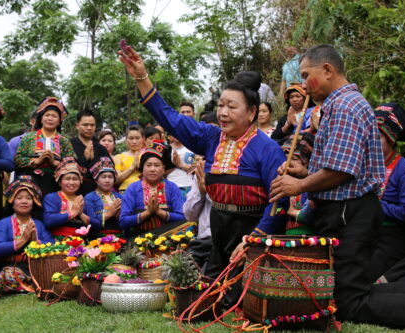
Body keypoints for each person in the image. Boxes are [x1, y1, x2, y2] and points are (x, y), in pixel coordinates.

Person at [269, 44, 405, 329]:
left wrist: (299, 185)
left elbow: (341, 171)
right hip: (347, 210)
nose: (303, 85)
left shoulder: (345, 106)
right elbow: (341, 164)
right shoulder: (339, 105)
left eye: (306, 75)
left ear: (327, 70)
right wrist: (306, 170)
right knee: (348, 292)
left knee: (347, 303)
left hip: (350, 212)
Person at [119, 47, 287, 306]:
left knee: (238, 300)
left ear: (252, 112)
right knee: (206, 297)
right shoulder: (210, 138)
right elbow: (170, 118)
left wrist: (254, 238)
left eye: (231, 106)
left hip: (251, 230)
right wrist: (143, 77)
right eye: (221, 105)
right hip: (218, 228)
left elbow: (279, 203)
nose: (222, 112)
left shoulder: (268, 150)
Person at [368, 103, 405, 281]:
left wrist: (375, 204)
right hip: (367, 234)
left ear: (391, 139)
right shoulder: (367, 168)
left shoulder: (404, 168)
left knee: (367, 276)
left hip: (392, 238)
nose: (372, 142)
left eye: (378, 137)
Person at [0, 176, 53, 293]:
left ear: (33, 201)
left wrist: (37, 242)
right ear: (12, 201)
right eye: (19, 198)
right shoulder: (4, 223)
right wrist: (24, 239)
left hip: (36, 267)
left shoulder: (38, 224)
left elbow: (52, 244)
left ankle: (32, 283)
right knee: (8, 276)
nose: (24, 201)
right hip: (12, 267)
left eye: (28, 198)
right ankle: (33, 285)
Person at [15, 97, 77, 198]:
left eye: (54, 116)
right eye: (47, 115)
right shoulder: (29, 138)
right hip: (30, 182)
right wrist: (36, 161)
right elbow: (18, 159)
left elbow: (72, 162)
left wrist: (55, 163)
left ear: (59, 121)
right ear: (41, 118)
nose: (50, 118)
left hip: (55, 183)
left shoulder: (64, 140)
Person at [120, 141, 185, 236]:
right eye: (148, 165)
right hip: (138, 241)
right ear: (142, 168)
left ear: (163, 169)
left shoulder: (172, 188)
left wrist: (159, 212)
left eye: (157, 165)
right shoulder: (133, 188)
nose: (152, 169)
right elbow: (123, 221)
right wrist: (148, 212)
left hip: (170, 239)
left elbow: (182, 217)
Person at [42, 157, 92, 238]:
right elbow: (48, 220)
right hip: (58, 244)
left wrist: (81, 215)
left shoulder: (83, 200)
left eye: (75, 179)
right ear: (59, 182)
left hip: (80, 243)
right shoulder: (52, 198)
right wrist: (72, 214)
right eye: (67, 179)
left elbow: (97, 224)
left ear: (80, 181)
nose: (71, 182)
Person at [280, 134, 315, 235]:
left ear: (307, 161)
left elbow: (310, 214)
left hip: (310, 241)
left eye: (294, 159)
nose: (288, 164)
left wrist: (293, 212)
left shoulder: (312, 185)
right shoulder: (283, 182)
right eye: (285, 159)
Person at [70, 109, 111, 194]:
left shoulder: (101, 148)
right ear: (77, 125)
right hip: (73, 192)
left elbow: (109, 170)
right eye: (85, 125)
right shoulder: (69, 145)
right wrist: (84, 158)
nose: (89, 128)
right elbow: (65, 170)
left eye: (92, 125)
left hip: (97, 194)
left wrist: (93, 161)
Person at [84, 157, 123, 237]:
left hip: (119, 237)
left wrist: (120, 215)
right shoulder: (90, 197)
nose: (107, 180)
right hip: (98, 238)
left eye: (110, 177)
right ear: (96, 179)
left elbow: (126, 220)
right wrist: (109, 213)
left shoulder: (119, 196)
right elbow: (90, 221)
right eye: (103, 177)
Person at [114, 125, 144, 193]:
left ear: (143, 139)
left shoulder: (147, 155)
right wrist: (131, 168)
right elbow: (116, 179)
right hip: (125, 190)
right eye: (131, 138)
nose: (134, 141)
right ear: (126, 140)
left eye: (137, 138)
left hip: (144, 191)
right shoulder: (119, 157)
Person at [167, 134, 195, 200]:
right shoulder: (166, 149)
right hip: (170, 186)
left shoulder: (192, 148)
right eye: (175, 132)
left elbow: (197, 169)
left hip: (189, 186)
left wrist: (180, 165)